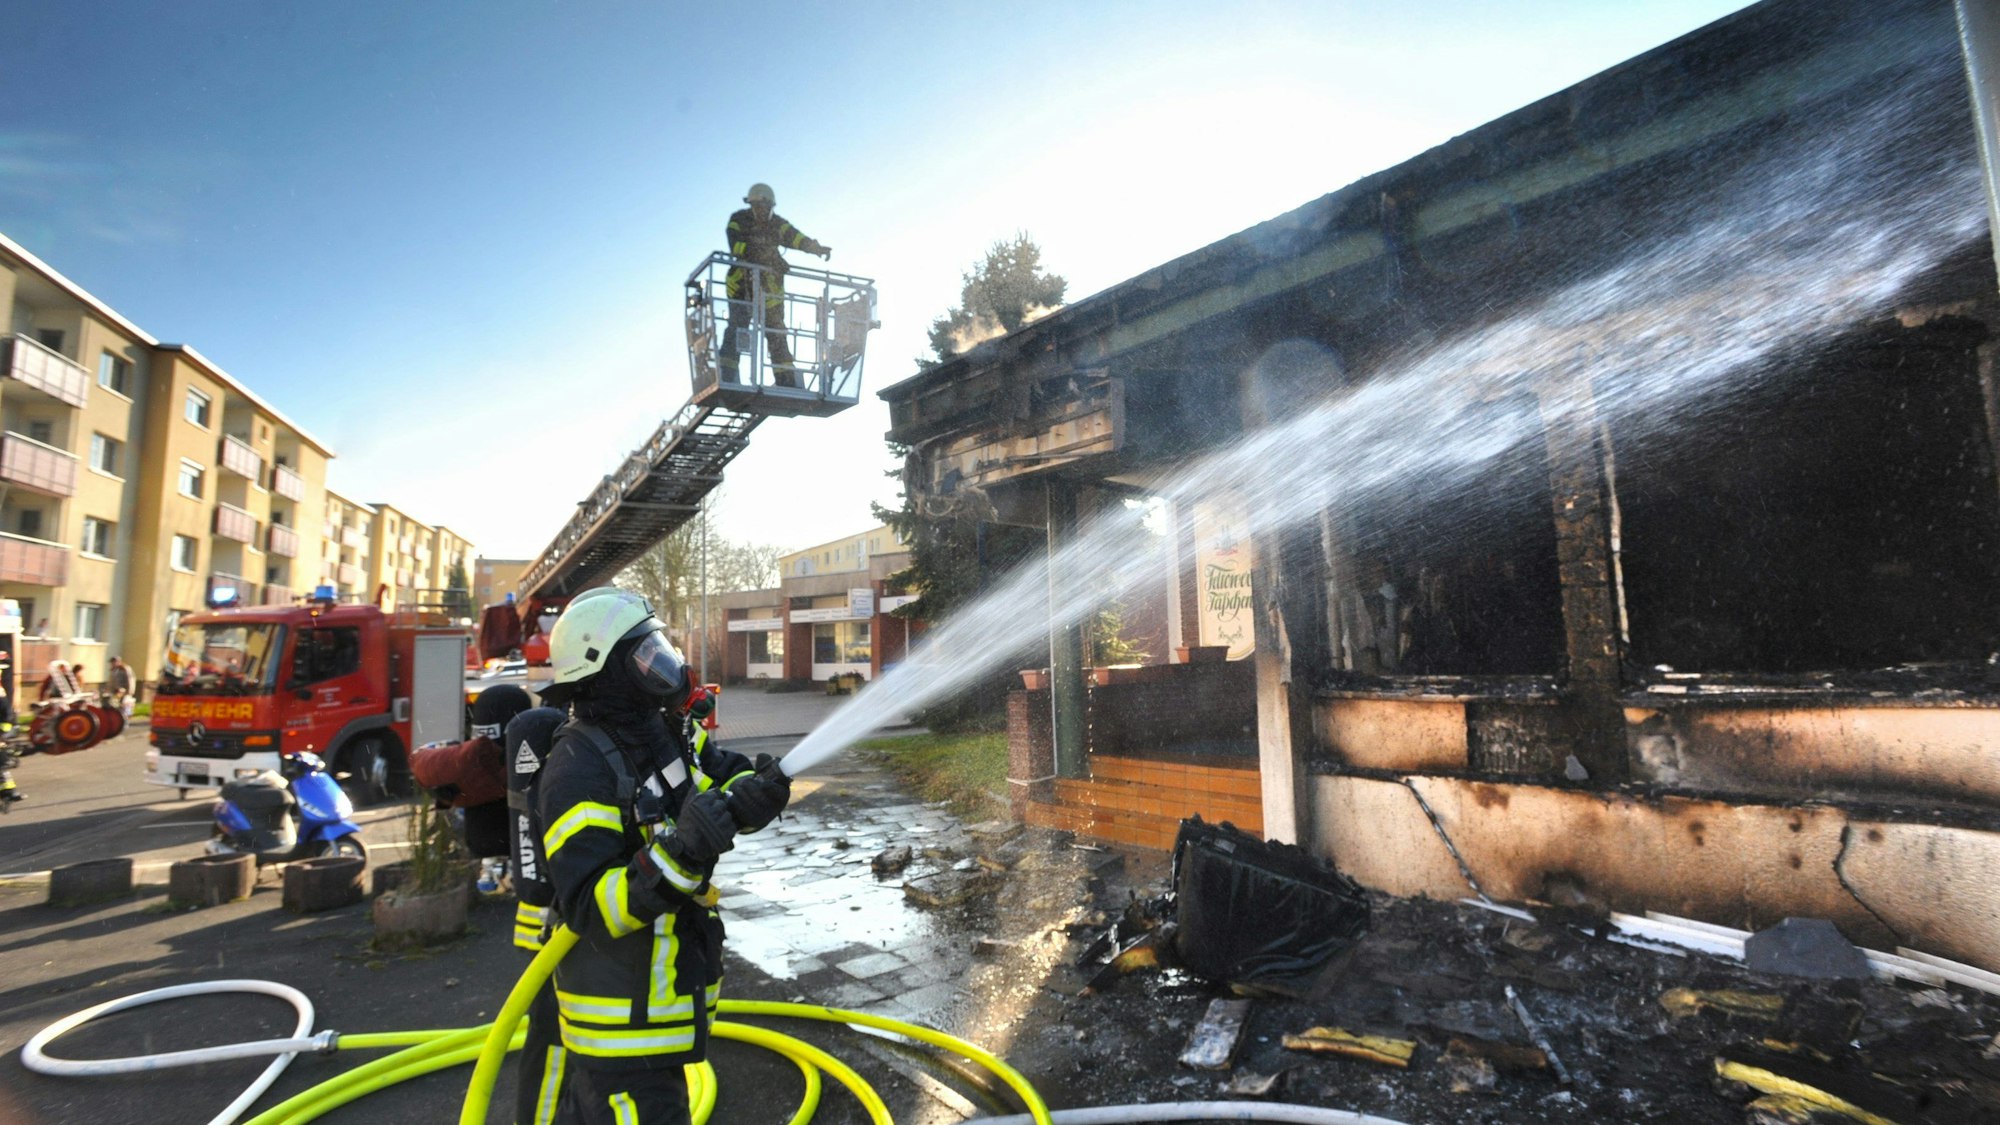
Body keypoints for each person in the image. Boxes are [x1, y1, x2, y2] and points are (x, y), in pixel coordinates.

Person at [534, 587, 791, 1124]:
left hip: (664, 1012)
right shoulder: (577, 767)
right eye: (645, 655)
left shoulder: (661, 732)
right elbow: (592, 906)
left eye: (659, 648)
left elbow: (719, 772)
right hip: (622, 1035)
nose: (663, 665)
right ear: (604, 671)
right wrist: (685, 849)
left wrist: (755, 791)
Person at [505, 701, 570, 1125]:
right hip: (553, 929)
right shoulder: (554, 757)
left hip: (539, 924)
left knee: (551, 1036)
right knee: (552, 1041)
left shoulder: (533, 740)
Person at [721, 182, 830, 388]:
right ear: (751, 205)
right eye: (757, 206)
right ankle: (727, 373)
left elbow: (795, 237)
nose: (761, 211)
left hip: (770, 290)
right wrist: (767, 256)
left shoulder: (777, 224)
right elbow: (736, 245)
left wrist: (815, 248)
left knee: (777, 333)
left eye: (765, 207)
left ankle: (785, 378)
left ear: (771, 206)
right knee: (737, 329)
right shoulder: (738, 220)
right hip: (741, 288)